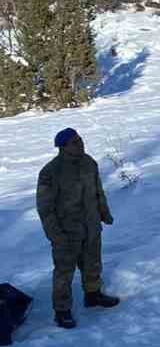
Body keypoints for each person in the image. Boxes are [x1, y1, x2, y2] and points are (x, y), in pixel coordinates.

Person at [36, 128, 118, 329]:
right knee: (64, 272)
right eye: (75, 142)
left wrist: (104, 213)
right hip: (66, 232)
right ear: (63, 148)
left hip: (91, 225)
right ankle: (62, 311)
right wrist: (55, 235)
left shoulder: (89, 163)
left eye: (80, 139)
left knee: (92, 262)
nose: (80, 143)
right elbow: (45, 208)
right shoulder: (50, 172)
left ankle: (93, 295)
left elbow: (98, 191)